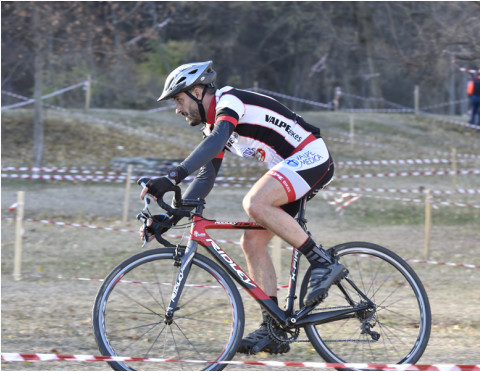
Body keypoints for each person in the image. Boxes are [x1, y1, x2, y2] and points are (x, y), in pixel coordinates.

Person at [139, 60, 348, 355]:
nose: (177, 109)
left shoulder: (229, 103)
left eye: (179, 99)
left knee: (255, 203)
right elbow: (205, 176)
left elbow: (217, 141)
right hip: (290, 167)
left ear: (198, 91)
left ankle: (323, 262)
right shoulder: (214, 127)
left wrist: (172, 175)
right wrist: (169, 218)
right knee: (251, 242)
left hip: (311, 156)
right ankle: (273, 329)